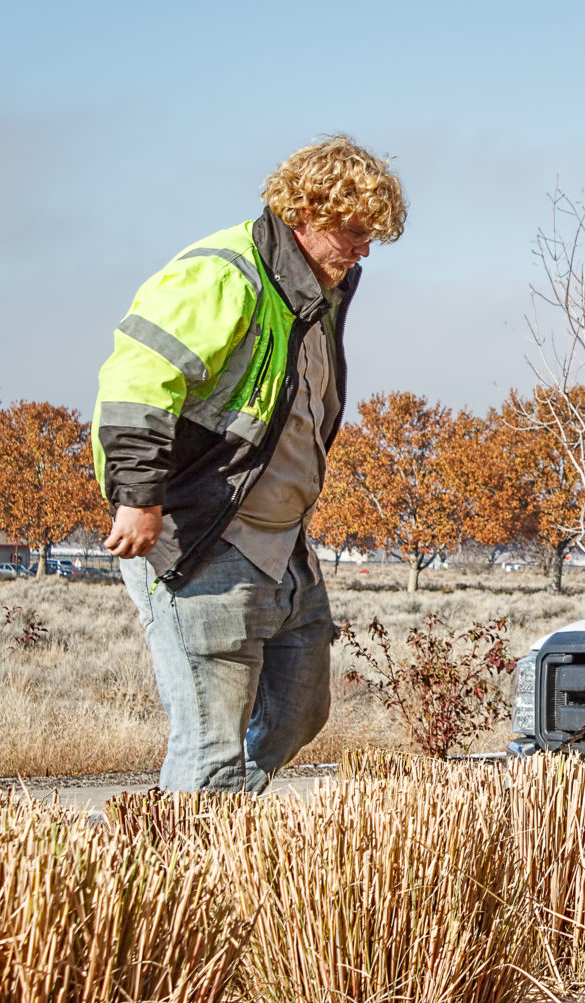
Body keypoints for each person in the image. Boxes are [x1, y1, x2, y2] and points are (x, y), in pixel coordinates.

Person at [93, 135, 406, 792]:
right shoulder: (223, 274)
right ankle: (188, 864)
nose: (363, 249)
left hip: (283, 541)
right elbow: (139, 380)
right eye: (351, 230)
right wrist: (139, 495)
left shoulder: (317, 293)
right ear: (305, 211)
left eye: (371, 235)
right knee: (211, 742)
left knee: (300, 711)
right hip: (204, 534)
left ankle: (215, 818)